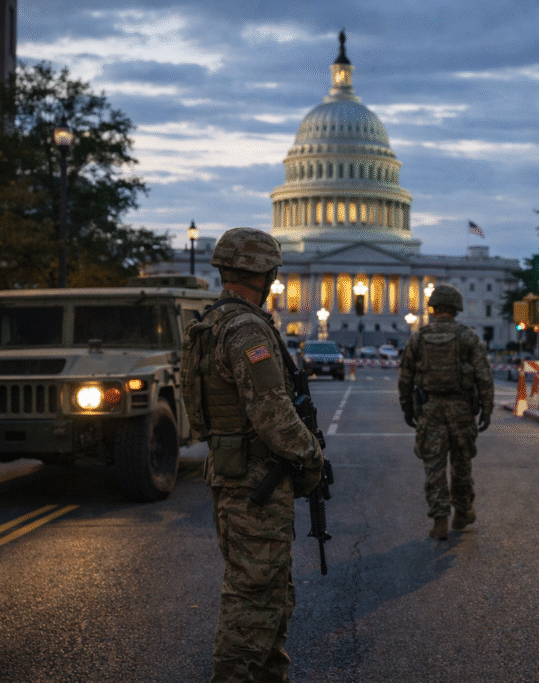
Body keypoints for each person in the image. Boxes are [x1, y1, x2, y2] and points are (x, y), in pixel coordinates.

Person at [180, 227, 324, 683]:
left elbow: (197, 409)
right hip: (256, 480)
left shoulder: (211, 323)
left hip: (232, 469)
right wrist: (311, 455)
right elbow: (272, 413)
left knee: (267, 589)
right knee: (254, 596)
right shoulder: (246, 328)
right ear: (266, 273)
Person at [398, 283, 494, 540]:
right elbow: (484, 376)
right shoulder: (468, 336)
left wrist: (407, 407)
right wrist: (487, 409)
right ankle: (462, 512)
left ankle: (440, 519)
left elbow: (405, 376)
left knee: (434, 466)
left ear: (434, 308)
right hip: (461, 409)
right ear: (456, 309)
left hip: (430, 409)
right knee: (462, 464)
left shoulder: (418, 337)